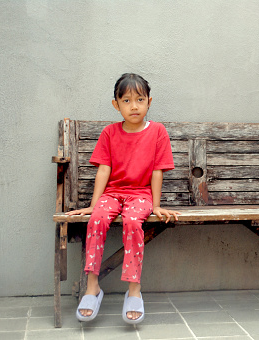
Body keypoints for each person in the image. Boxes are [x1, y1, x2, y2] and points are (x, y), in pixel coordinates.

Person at [66, 73, 180, 324]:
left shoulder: (158, 132)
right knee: (96, 219)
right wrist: (94, 205)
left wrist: (157, 205)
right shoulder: (109, 133)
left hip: (140, 195)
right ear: (116, 104)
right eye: (126, 100)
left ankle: (134, 290)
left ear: (149, 102)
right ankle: (92, 287)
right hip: (112, 194)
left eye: (140, 99)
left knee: (131, 223)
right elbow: (103, 170)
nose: (134, 106)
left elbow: (157, 171)